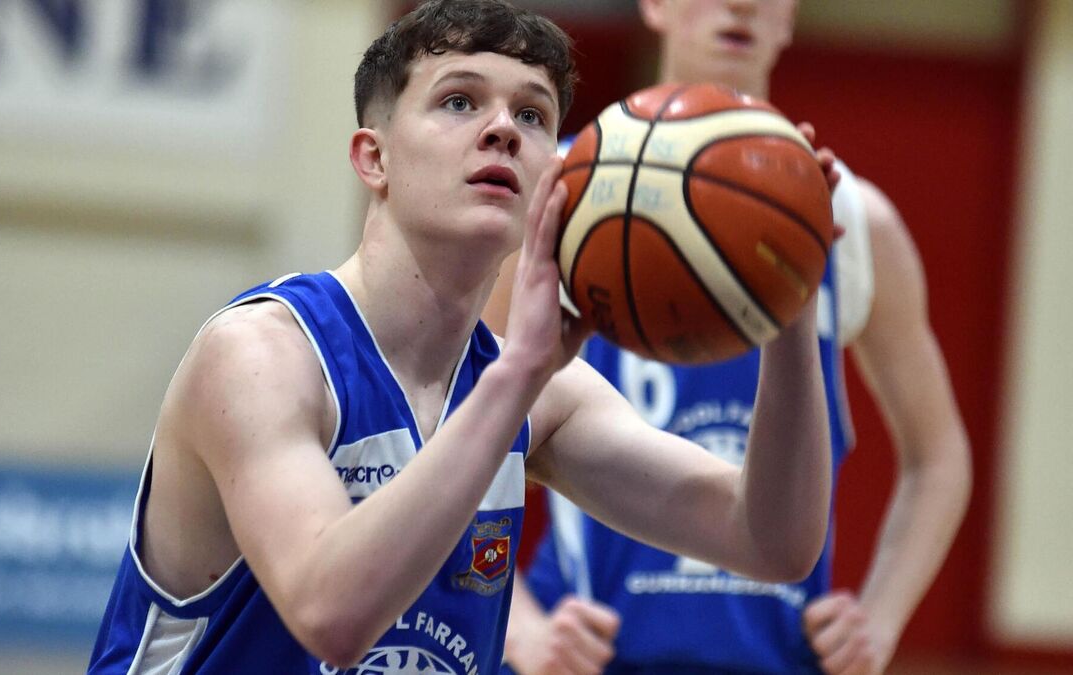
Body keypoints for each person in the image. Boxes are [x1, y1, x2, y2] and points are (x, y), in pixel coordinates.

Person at [87, 1, 839, 673]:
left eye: (534, 115)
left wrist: (788, 299)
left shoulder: (540, 394)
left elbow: (771, 542)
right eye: (459, 101)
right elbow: (331, 614)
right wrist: (519, 376)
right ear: (373, 157)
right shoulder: (263, 355)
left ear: (556, 177)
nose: (503, 129)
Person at [493, 1, 972, 674]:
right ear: (655, 5)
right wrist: (518, 623)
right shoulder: (562, 190)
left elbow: (939, 456)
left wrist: (881, 618)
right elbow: (458, 427)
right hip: (590, 655)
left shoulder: (850, 219)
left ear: (790, 16)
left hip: (776, 654)